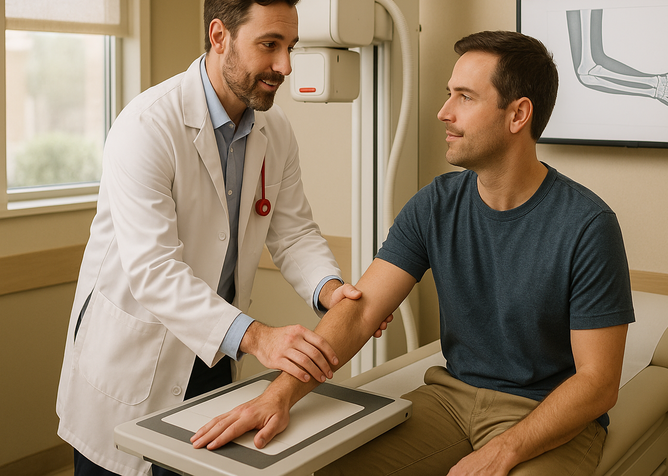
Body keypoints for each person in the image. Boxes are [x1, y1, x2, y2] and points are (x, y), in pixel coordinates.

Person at [190, 30, 635, 476]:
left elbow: (597, 383)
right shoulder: (436, 204)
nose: (444, 112)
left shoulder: (587, 225)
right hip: (451, 399)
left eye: (465, 97)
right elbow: (360, 312)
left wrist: (505, 449)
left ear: (518, 114)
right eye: (449, 93)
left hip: (543, 411)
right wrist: (277, 396)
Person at [55, 0, 388, 476]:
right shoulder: (147, 125)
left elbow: (294, 232)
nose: (285, 65)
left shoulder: (275, 132)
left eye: (290, 47)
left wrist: (329, 289)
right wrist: (259, 337)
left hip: (212, 356)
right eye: (269, 45)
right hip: (132, 361)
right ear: (219, 36)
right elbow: (153, 271)